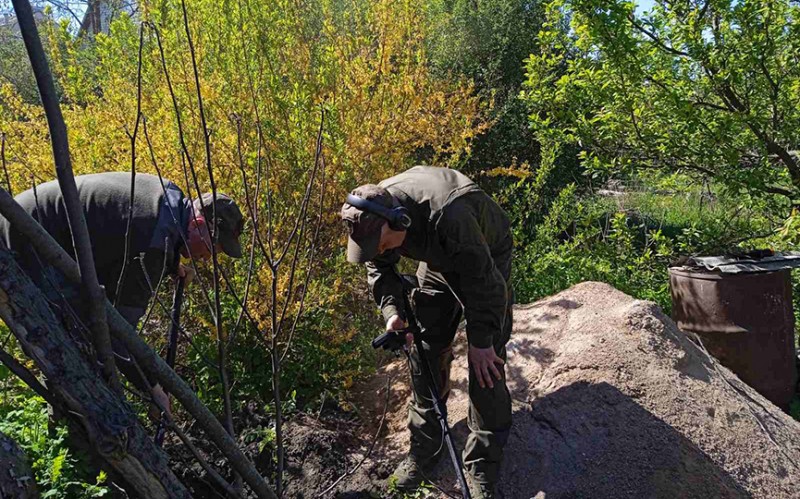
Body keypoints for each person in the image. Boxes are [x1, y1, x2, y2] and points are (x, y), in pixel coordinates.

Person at [0, 171, 244, 416]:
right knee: (75, 343)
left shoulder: (169, 196)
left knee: (82, 337)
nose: (210, 257)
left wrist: (172, 262)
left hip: (25, 215)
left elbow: (128, 233)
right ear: (199, 225)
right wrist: (152, 388)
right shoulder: (154, 246)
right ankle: (71, 429)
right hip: (27, 236)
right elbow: (117, 333)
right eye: (216, 247)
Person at [340, 165, 513, 498]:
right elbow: (379, 267)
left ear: (400, 221)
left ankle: (483, 462)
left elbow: (485, 285)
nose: (378, 251)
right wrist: (393, 314)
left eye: (381, 244)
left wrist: (481, 341)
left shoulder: (451, 217)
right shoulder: (372, 211)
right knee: (425, 348)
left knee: (486, 364)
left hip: (485, 254)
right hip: (437, 258)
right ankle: (425, 449)